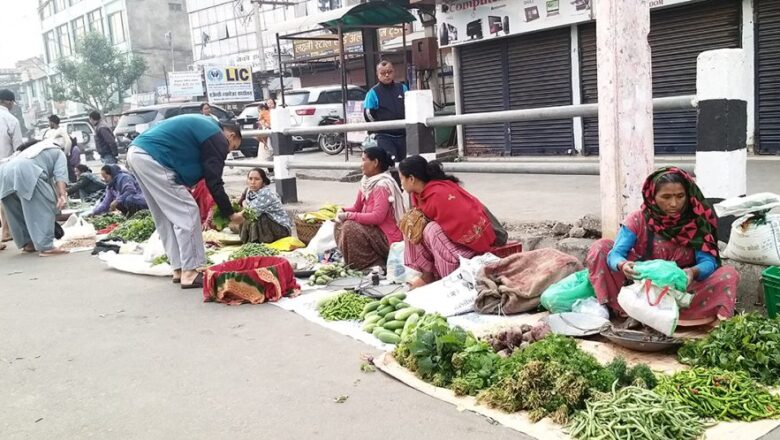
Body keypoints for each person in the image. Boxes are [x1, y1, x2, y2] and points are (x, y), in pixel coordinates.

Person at [585, 167, 739, 327]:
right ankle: (627, 311)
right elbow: (615, 254)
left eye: (680, 196)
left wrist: (692, 272)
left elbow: (709, 262)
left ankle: (677, 319)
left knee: (729, 274)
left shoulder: (697, 222)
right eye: (666, 197)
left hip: (682, 288)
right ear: (652, 197)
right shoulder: (638, 219)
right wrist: (623, 265)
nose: (674, 204)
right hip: (639, 287)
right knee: (601, 247)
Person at [126, 114, 244, 289]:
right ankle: (191, 270)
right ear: (231, 136)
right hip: (154, 157)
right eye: (232, 147)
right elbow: (214, 181)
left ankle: (179, 268)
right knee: (187, 212)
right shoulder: (217, 137)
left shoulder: (205, 125)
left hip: (138, 153)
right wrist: (230, 213)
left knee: (165, 217)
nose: (227, 152)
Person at [398, 155, 506, 288]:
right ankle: (428, 273)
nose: (401, 182)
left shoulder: (438, 194)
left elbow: (463, 225)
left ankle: (450, 276)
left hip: (471, 249)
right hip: (451, 244)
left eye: (401, 178)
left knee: (432, 230)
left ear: (412, 179)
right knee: (412, 225)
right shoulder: (420, 195)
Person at [334, 147, 404, 270]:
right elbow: (357, 207)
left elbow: (377, 217)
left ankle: (374, 263)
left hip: (385, 236)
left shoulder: (382, 186)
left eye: (363, 160)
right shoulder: (367, 182)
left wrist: (349, 216)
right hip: (372, 231)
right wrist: (343, 211)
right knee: (339, 224)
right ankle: (354, 261)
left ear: (375, 163)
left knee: (350, 227)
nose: (361, 165)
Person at [0, 139, 68, 256]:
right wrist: (62, 195)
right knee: (43, 207)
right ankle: (46, 247)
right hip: (27, 170)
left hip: (4, 172)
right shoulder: (58, 152)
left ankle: (28, 243)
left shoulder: (30, 151)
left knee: (16, 211)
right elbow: (60, 174)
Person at [364, 61, 408, 163]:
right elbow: (368, 113)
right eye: (383, 73)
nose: (387, 75)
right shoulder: (373, 92)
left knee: (404, 165)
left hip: (403, 135)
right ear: (377, 75)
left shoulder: (402, 88)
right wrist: (378, 127)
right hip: (385, 136)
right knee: (391, 165)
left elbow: (410, 107)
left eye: (389, 72)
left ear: (394, 72)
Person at [238, 168, 291, 243]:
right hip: (270, 225)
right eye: (250, 179)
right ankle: (248, 239)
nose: (253, 182)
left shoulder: (265, 193)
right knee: (247, 215)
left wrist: (244, 203)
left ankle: (258, 241)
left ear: (263, 182)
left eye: (257, 179)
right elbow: (240, 203)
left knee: (255, 217)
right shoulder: (249, 191)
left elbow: (251, 211)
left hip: (281, 229)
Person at [0, 89, 23, 248]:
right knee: (6, 199)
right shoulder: (11, 119)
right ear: (8, 102)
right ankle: (7, 231)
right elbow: (19, 149)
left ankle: (6, 231)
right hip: (4, 164)